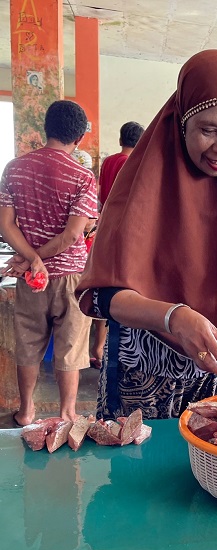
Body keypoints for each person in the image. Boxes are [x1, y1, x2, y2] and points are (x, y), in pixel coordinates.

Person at [76, 50, 217, 420]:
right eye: (208, 130)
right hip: (145, 373)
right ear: (182, 122)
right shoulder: (140, 190)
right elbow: (102, 295)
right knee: (142, 458)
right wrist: (174, 318)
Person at [0, 100, 98, 426]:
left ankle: (26, 410)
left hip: (31, 278)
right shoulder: (83, 176)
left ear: (45, 128)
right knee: (70, 348)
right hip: (71, 276)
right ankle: (67, 414)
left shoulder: (14, 168)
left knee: (28, 343)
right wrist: (37, 259)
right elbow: (72, 235)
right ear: (79, 138)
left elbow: (6, 225)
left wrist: (30, 260)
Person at [88, 121, 144, 371]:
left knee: (104, 290)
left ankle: (98, 348)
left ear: (121, 139)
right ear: (141, 143)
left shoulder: (109, 161)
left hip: (105, 229)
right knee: (120, 293)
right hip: (123, 234)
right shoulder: (132, 163)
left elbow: (102, 197)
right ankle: (108, 351)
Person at [98, 121, 145, 209]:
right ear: (141, 143)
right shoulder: (133, 164)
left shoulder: (107, 160)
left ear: (120, 141)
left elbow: (100, 188)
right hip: (122, 212)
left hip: (106, 212)